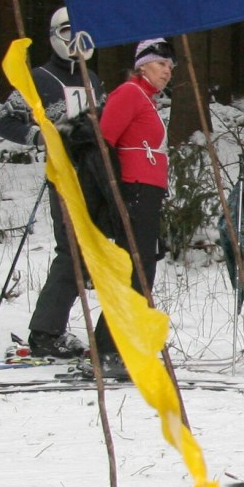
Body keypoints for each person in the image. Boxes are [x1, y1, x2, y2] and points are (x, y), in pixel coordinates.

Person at [0, 7, 102, 358]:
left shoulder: (93, 79)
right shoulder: (39, 77)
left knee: (89, 254)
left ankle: (61, 328)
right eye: (69, 33)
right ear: (55, 36)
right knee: (72, 252)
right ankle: (45, 332)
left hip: (96, 177)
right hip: (64, 176)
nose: (76, 42)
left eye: (83, 34)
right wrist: (40, 137)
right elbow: (5, 121)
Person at [89, 36, 175, 376]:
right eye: (161, 64)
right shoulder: (129, 92)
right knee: (135, 269)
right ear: (142, 65)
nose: (167, 71)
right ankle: (108, 349)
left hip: (148, 191)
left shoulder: (146, 99)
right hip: (134, 190)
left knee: (142, 270)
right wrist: (114, 193)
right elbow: (103, 141)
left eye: (170, 67)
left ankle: (118, 345)